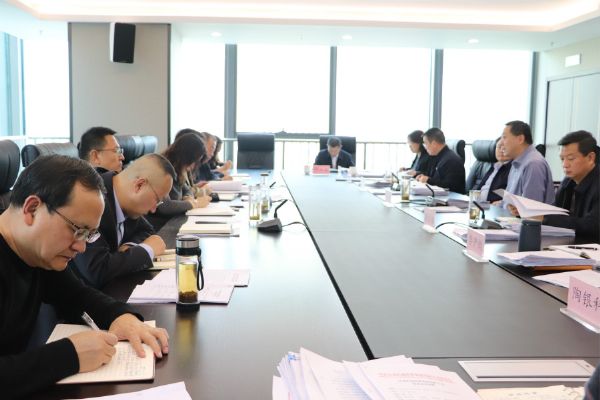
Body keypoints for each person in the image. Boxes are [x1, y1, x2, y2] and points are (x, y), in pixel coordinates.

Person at [0, 155, 169, 398]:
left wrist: (121, 316)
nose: (81, 247)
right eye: (77, 230)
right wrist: (69, 355)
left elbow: (77, 295)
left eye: (88, 235)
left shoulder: (37, 253)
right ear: (32, 209)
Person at [70, 154, 176, 288]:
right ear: (139, 185)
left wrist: (130, 247)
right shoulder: (93, 198)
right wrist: (146, 250)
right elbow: (97, 270)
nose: (154, 209)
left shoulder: (127, 203)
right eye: (157, 200)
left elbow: (146, 230)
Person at [146, 134, 212, 231]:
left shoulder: (178, 168)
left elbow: (187, 189)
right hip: (159, 228)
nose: (193, 166)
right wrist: (194, 204)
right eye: (194, 161)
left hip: (174, 221)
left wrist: (187, 197)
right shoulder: (161, 169)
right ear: (186, 156)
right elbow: (165, 206)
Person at [542, 131, 599, 241]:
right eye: (562, 159)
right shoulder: (567, 181)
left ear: (590, 158)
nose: (565, 165)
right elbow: (556, 211)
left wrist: (545, 218)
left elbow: (592, 226)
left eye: (571, 158)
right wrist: (528, 212)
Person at [501, 120, 554, 204]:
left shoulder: (534, 164)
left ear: (520, 139)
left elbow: (531, 207)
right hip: (507, 212)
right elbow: (509, 202)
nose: (501, 143)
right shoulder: (516, 162)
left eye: (504, 137)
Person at [416, 128, 466, 194]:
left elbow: (450, 186)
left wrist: (428, 180)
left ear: (434, 144)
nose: (425, 147)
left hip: (452, 198)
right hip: (440, 196)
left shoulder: (451, 160)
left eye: (425, 143)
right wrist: (422, 176)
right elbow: (434, 177)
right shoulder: (438, 156)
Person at [472, 137, 512, 203]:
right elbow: (479, 190)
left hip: (493, 206)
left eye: (505, 148)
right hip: (478, 203)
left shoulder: (513, 169)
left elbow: (511, 195)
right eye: (499, 147)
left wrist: (501, 203)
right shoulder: (493, 166)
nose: (501, 150)